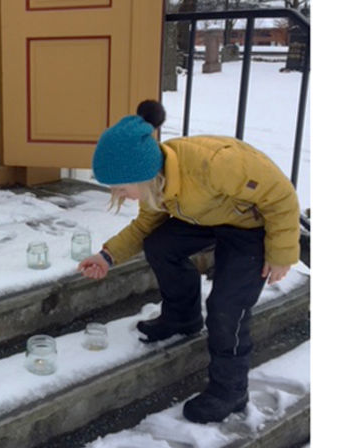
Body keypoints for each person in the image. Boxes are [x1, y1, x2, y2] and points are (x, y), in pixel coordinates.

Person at [77, 99, 300, 424]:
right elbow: (145, 226)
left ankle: (231, 391)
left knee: (226, 306)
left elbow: (281, 196)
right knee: (160, 244)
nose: (120, 194)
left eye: (121, 188)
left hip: (250, 226)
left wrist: (281, 254)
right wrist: (107, 256)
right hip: (209, 217)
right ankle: (182, 317)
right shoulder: (156, 183)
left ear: (142, 175)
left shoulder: (215, 164)